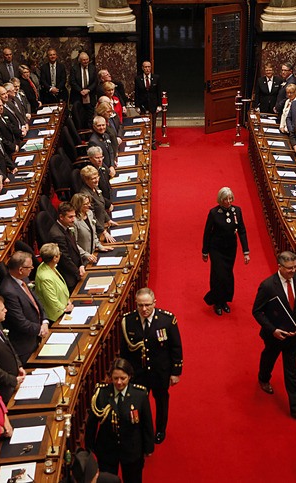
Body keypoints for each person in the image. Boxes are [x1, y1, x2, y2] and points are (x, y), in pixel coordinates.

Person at [253, 251, 296, 424]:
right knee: (269, 357)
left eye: (295, 267)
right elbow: (257, 311)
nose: (293, 271)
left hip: (294, 336)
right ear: (280, 267)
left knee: (292, 370)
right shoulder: (268, 286)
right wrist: (273, 330)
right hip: (274, 336)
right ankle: (263, 378)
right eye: (289, 268)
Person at [120, 288, 183, 444]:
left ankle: (160, 429)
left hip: (160, 372)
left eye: (147, 305)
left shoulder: (166, 320)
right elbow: (124, 351)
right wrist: (124, 373)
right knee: (137, 404)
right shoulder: (128, 321)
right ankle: (140, 430)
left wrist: (175, 372)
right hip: (138, 373)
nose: (144, 309)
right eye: (140, 305)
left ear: (154, 303)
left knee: (161, 402)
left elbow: (176, 347)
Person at [85, 358, 154, 482]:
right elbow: (92, 423)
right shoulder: (101, 393)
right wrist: (89, 448)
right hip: (107, 448)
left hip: (132, 448)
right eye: (115, 378)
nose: (119, 382)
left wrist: (148, 447)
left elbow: (146, 423)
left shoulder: (140, 394)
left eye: (123, 378)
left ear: (130, 377)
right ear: (110, 377)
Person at [202, 187, 250, 316]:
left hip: (230, 249)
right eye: (225, 199)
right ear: (220, 200)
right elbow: (207, 233)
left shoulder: (237, 211)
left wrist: (246, 251)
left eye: (230, 198)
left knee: (228, 275)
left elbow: (242, 231)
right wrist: (205, 251)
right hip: (216, 248)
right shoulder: (214, 213)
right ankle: (216, 301)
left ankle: (224, 301)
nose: (228, 201)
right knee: (218, 275)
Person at [0, 251, 48, 364]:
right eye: (30, 267)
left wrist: (44, 321)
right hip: (26, 345)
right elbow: (20, 322)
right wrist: (39, 329)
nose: (32, 268)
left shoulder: (23, 278)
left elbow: (36, 301)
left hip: (38, 333)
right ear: (21, 270)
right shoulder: (8, 291)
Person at [47, 201, 85, 293]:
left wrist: (81, 264)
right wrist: (77, 272)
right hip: (69, 276)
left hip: (76, 269)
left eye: (74, 216)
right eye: (70, 217)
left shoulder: (65, 227)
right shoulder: (57, 235)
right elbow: (64, 258)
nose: (73, 219)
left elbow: (74, 248)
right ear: (61, 217)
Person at [34, 243, 74, 323]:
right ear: (55, 258)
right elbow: (52, 301)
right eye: (59, 254)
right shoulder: (45, 278)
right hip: (56, 316)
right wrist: (65, 308)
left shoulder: (48, 265)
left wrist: (67, 301)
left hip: (65, 304)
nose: (60, 255)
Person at [72, 193, 113, 265]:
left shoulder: (89, 213)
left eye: (89, 202)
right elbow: (74, 244)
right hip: (82, 258)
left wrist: (99, 246)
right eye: (86, 204)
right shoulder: (74, 221)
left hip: (93, 253)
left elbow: (93, 233)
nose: (89, 205)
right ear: (78, 205)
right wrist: (86, 255)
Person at [79, 165, 116, 241]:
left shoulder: (95, 187)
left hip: (102, 225)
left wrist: (108, 220)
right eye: (93, 178)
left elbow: (101, 206)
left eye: (97, 177)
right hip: (96, 232)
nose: (97, 180)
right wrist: (103, 231)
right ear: (86, 180)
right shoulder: (86, 195)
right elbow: (91, 217)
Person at [71, 51, 98, 128]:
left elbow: (95, 81)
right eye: (84, 60)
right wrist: (80, 90)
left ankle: (89, 132)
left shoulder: (93, 68)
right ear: (80, 60)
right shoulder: (74, 69)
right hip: (78, 95)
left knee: (90, 116)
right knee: (79, 116)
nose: (86, 61)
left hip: (90, 95)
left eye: (87, 59)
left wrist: (88, 90)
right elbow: (72, 82)